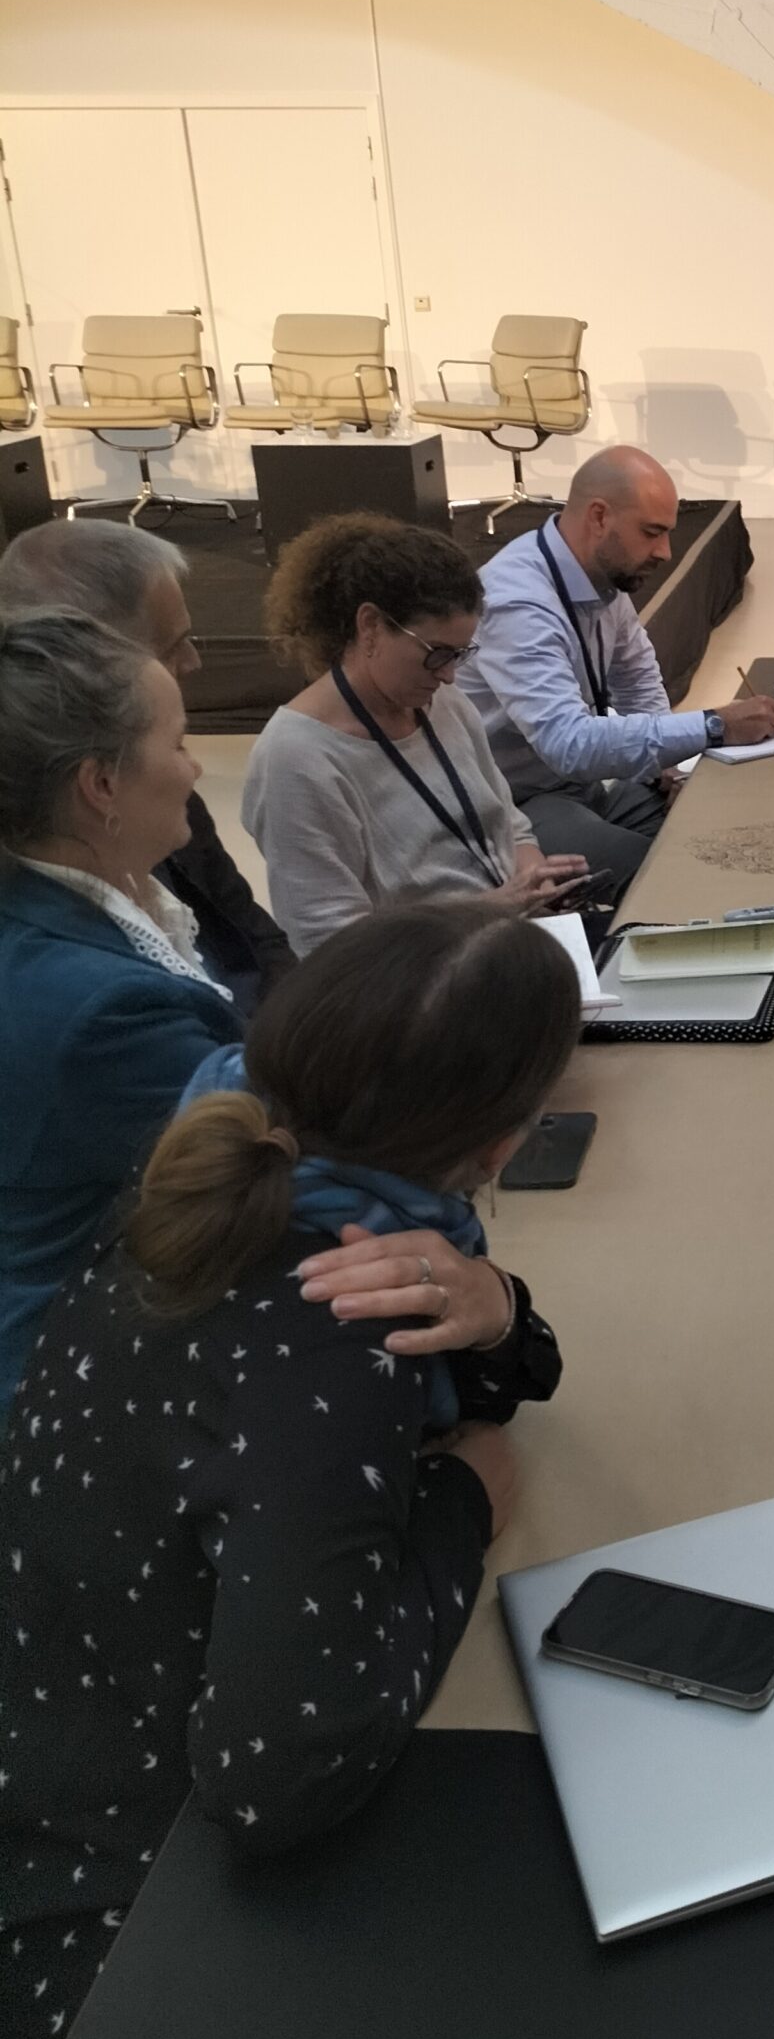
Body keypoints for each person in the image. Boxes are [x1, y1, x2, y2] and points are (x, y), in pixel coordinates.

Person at [0, 899, 578, 2039]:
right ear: (498, 1147)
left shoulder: (206, 1180)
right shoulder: (337, 1337)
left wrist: (495, 1307)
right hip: (99, 1938)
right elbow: (277, 1773)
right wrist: (461, 1507)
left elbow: (478, 1374)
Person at [0, 612, 242, 1425]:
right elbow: (272, 1174)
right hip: (78, 1387)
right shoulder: (106, 1013)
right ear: (100, 785)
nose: (196, 766)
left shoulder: (72, 907)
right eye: (178, 742)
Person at [243, 514, 588, 955]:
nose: (448, 676)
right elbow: (329, 944)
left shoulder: (444, 704)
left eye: (461, 654)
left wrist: (534, 880)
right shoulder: (295, 758)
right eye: (436, 653)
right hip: (418, 981)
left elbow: (510, 825)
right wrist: (490, 909)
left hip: (500, 943)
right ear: (370, 625)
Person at [0, 519, 294, 1014]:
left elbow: (256, 937)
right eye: (172, 645)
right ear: (90, 664)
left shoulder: (157, 782)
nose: (194, 661)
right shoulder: (82, 981)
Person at [458, 446, 774, 889]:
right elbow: (569, 745)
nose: (665, 552)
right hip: (519, 807)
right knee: (679, 877)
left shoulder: (600, 573)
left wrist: (669, 771)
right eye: (652, 533)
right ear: (599, 517)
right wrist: (714, 726)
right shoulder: (518, 601)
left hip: (583, 788)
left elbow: (639, 687)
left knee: (726, 831)